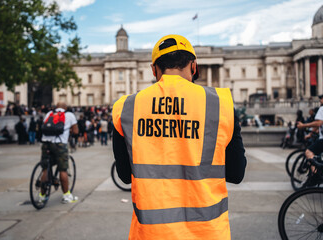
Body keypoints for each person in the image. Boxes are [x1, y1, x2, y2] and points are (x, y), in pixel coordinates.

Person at [112, 34, 246, 240]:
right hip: (208, 233)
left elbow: (123, 175)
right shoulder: (221, 104)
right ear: (193, 66)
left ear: (154, 69)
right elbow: (236, 174)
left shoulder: (127, 107)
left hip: (151, 234)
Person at [40, 102, 79, 203]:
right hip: (59, 144)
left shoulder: (49, 114)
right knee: (63, 169)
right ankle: (66, 196)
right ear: (65, 108)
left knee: (45, 169)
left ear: (56, 107)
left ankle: (42, 196)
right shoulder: (69, 115)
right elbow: (76, 131)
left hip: (46, 143)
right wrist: (70, 131)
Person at [297, 95, 323, 161]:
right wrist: (311, 134)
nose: (320, 100)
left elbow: (318, 123)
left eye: (321, 98)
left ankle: (315, 171)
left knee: (309, 152)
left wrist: (303, 125)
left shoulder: (322, 109)